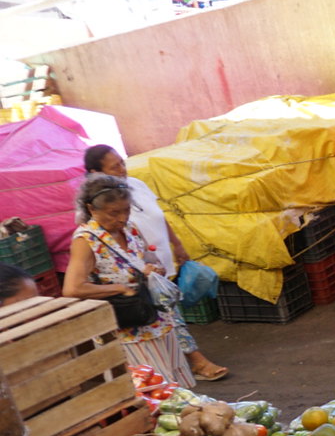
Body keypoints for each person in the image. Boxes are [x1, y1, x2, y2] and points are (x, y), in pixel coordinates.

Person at [83, 146, 228, 381]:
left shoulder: (136, 185)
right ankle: (196, 361)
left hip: (155, 267)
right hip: (133, 287)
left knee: (168, 317)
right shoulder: (91, 229)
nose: (122, 169)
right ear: (95, 172)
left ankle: (181, 368)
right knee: (167, 318)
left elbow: (159, 216)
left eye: (122, 162)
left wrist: (176, 245)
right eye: (114, 166)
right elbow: (78, 284)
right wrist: (123, 286)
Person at [64, 176, 197, 388]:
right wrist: (120, 288)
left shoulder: (130, 228)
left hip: (156, 318)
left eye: (126, 210)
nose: (122, 218)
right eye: (114, 213)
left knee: (173, 386)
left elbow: (147, 256)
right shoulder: (86, 240)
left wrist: (155, 268)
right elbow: (72, 288)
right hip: (127, 328)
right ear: (92, 209)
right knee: (154, 389)